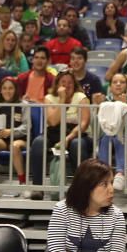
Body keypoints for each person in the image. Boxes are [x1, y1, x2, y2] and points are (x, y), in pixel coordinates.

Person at [25, 71, 93, 200]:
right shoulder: (49, 98)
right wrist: (62, 99)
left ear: (74, 84)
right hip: (54, 133)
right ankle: (38, 188)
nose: (67, 86)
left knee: (76, 145)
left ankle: (80, 189)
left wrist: (67, 138)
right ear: (57, 85)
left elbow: (84, 123)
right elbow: (53, 121)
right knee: (38, 143)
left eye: (70, 83)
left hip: (77, 134)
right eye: (63, 82)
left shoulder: (81, 97)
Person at [96, 73, 127, 192]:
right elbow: (100, 118)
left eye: (122, 82)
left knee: (119, 137)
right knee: (106, 138)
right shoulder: (106, 102)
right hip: (108, 137)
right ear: (110, 86)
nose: (118, 84)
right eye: (115, 82)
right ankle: (103, 173)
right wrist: (97, 104)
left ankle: (120, 173)